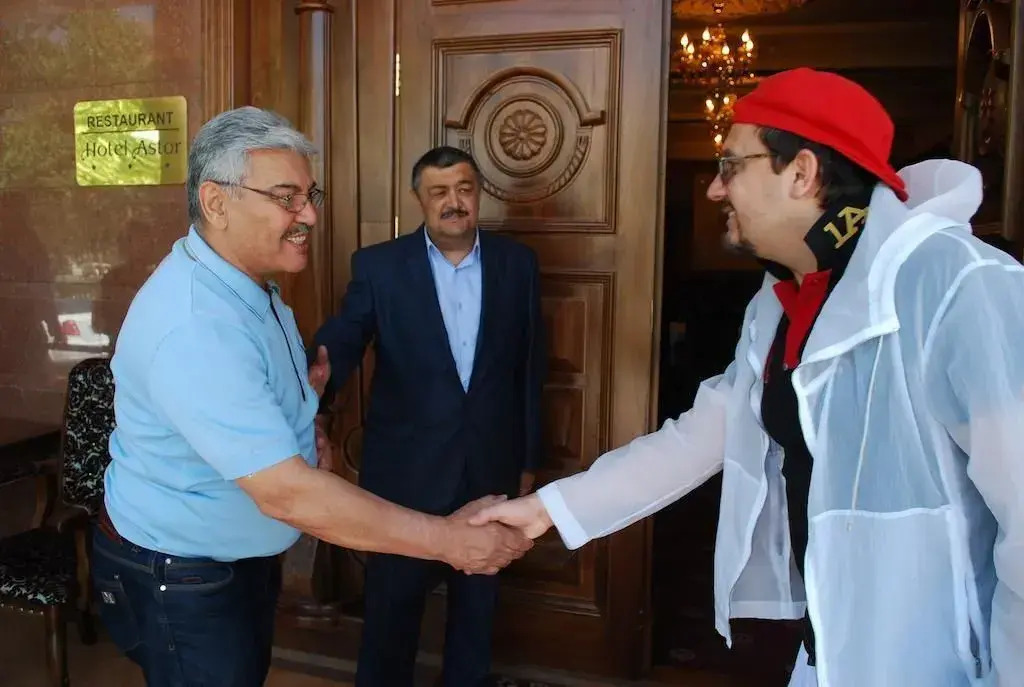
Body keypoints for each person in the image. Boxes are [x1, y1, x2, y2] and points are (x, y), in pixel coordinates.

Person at [470, 67, 1024, 686]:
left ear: (802, 173)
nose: (713, 189)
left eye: (730, 165)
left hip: (948, 666)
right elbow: (703, 436)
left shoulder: (961, 285)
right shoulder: (780, 301)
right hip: (829, 652)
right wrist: (547, 510)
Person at [90, 108, 531, 687]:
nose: (310, 215)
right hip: (181, 576)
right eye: (286, 198)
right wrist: (451, 542)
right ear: (217, 202)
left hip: (230, 562)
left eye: (309, 195)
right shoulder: (196, 325)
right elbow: (288, 493)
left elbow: (267, 404)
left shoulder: (251, 286)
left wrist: (305, 424)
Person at [312, 145, 546, 687]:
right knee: (390, 615)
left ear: (478, 194)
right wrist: (317, 383)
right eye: (439, 192)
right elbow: (346, 336)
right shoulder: (379, 266)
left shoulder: (517, 264)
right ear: (419, 199)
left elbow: (531, 367)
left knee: (477, 616)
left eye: (464, 189)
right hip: (405, 474)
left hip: (489, 468)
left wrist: (528, 460)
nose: (453, 202)